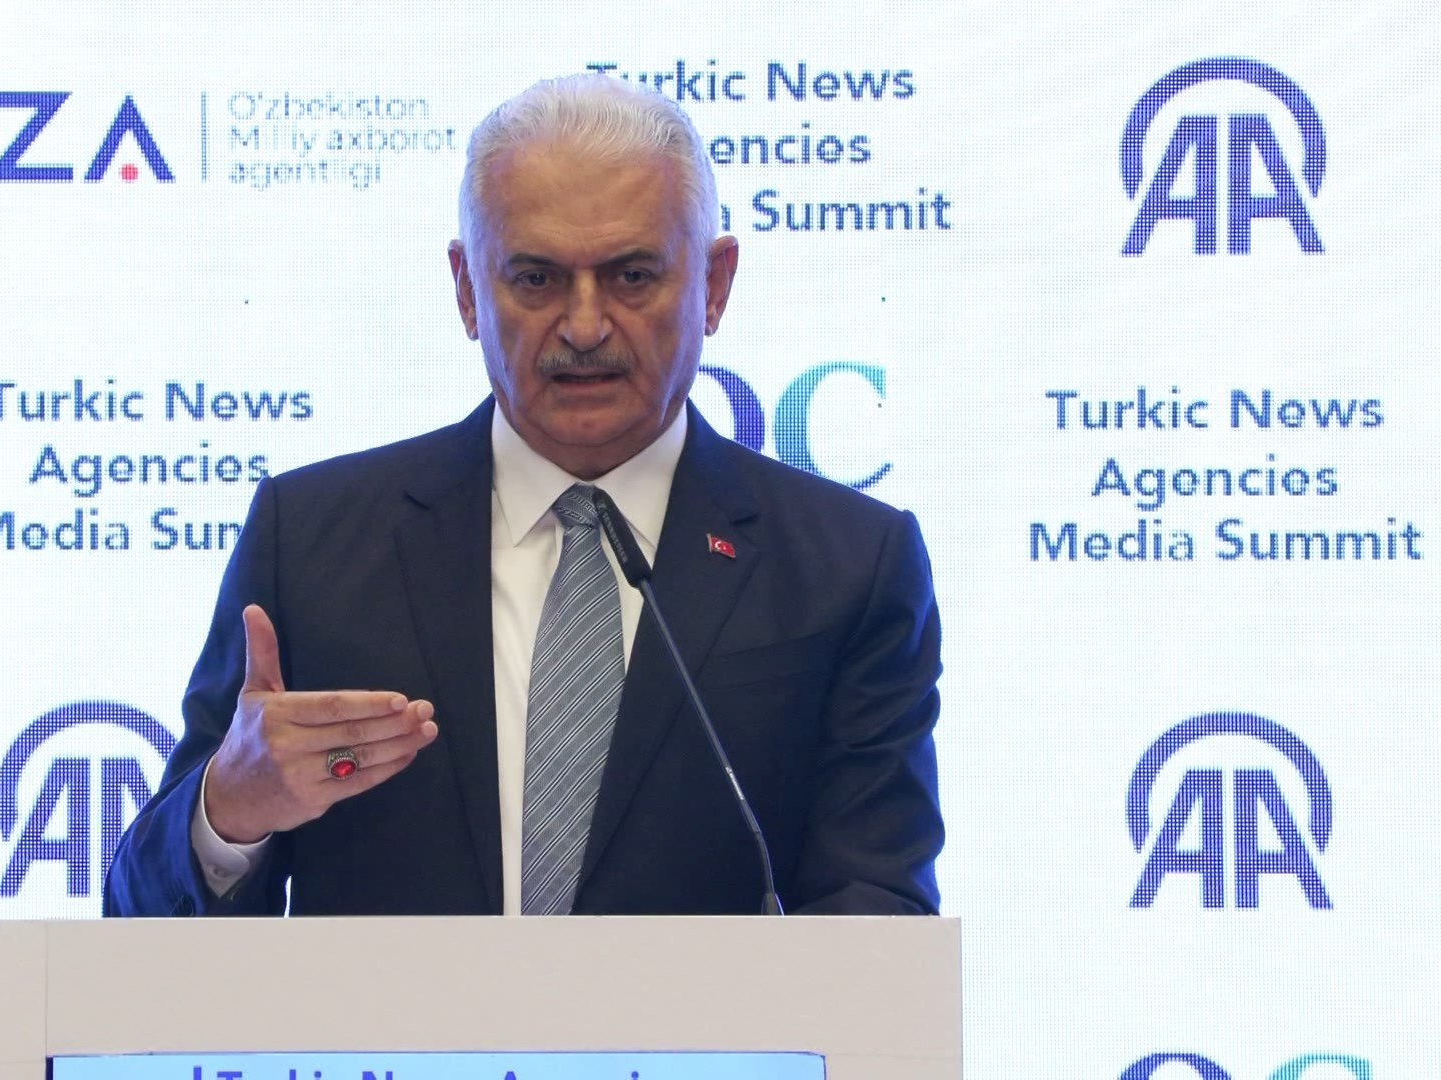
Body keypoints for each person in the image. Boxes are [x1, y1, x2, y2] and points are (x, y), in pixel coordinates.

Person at [104, 73, 942, 918]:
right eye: (536, 279)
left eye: (632, 276)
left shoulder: (846, 568)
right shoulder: (314, 543)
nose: (584, 326)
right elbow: (139, 919)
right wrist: (229, 812)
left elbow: (880, 915)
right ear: (468, 290)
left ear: (713, 284)